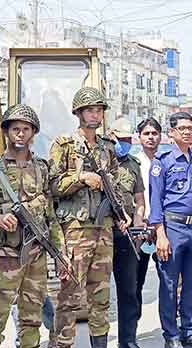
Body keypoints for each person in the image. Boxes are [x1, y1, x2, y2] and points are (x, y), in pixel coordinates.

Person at [0, 104, 65, 348]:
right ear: (7, 132)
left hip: (36, 257)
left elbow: (50, 215)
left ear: (33, 133)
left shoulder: (42, 168)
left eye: (26, 129)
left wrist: (60, 253)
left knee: (31, 320)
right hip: (5, 257)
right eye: (16, 129)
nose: (21, 133)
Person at [49, 87, 120, 348]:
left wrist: (120, 212)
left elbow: (115, 186)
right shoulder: (64, 145)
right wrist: (81, 178)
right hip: (76, 229)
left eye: (99, 110)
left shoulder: (107, 147)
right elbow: (53, 185)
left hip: (103, 229)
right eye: (90, 109)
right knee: (70, 295)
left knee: (100, 296)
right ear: (78, 113)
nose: (95, 114)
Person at [149, 112, 192, 348]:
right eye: (182, 128)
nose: (187, 132)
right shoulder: (163, 160)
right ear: (172, 132)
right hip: (172, 227)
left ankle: (190, 332)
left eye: (190, 128)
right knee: (169, 284)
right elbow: (155, 199)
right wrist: (160, 234)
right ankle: (172, 336)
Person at [110, 118, 147, 348]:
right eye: (118, 140)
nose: (123, 144)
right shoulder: (98, 161)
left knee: (129, 291)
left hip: (128, 234)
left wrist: (138, 220)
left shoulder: (133, 164)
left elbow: (139, 199)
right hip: (101, 233)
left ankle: (128, 341)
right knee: (96, 294)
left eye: (126, 140)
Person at [134, 117, 163, 309]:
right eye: (146, 134)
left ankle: (171, 327)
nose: (151, 137)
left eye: (154, 133)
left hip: (163, 227)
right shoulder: (133, 162)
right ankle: (131, 331)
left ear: (160, 136)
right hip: (140, 226)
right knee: (136, 280)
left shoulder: (167, 159)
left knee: (169, 280)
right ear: (139, 137)